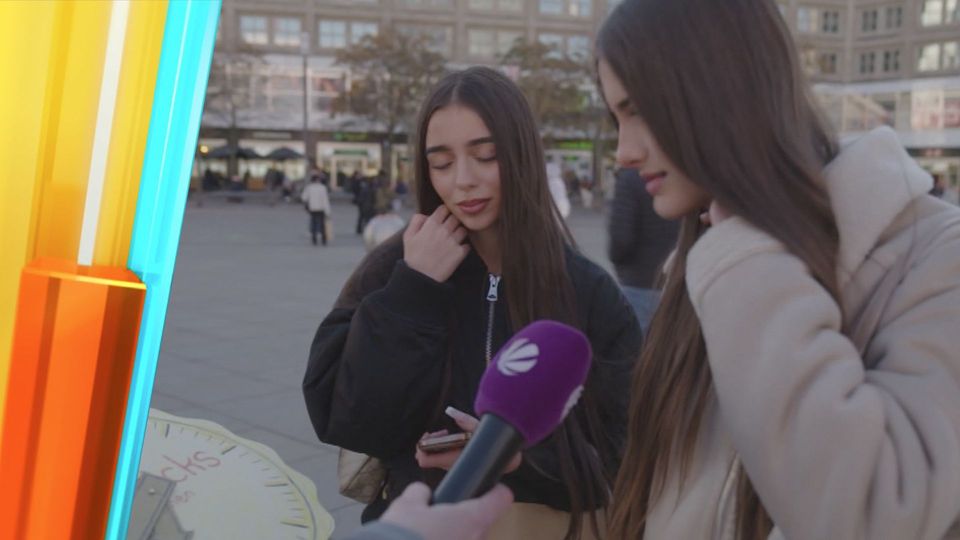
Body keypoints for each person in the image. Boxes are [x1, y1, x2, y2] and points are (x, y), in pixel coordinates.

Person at [595, 1, 960, 539]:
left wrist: (750, 258)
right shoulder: (703, 266)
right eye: (616, 117)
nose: (625, 150)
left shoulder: (935, 255)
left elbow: (873, 514)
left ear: (723, 89)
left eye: (640, 110)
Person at [303, 66, 641, 539]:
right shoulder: (393, 272)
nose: (463, 181)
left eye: (485, 156)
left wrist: (509, 456)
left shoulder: (587, 290)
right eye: (440, 164)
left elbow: (625, 452)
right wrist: (413, 291)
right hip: (415, 523)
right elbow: (350, 421)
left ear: (522, 156)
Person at [607, 168, 679, 333]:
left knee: (636, 348)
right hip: (678, 282)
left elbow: (620, 238)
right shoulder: (685, 173)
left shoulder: (631, 178)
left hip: (638, 280)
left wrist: (620, 264)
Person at [301, 173, 331, 246]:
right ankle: (324, 239)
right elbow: (325, 200)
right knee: (322, 224)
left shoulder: (309, 187)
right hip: (321, 208)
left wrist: (309, 202)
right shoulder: (322, 188)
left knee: (313, 223)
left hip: (312, 208)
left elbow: (303, 197)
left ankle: (314, 239)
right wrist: (328, 211)